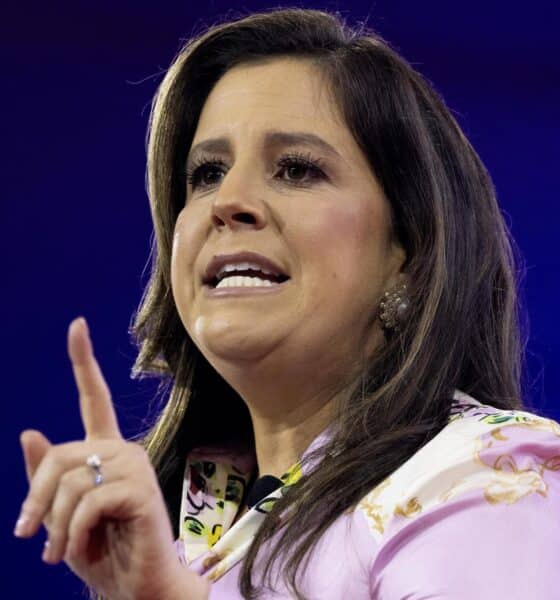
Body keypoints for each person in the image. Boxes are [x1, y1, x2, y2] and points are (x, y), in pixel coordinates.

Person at [15, 8, 560, 600]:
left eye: (296, 169)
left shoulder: (492, 475)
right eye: (206, 173)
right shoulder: (187, 523)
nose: (229, 200)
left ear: (410, 253)